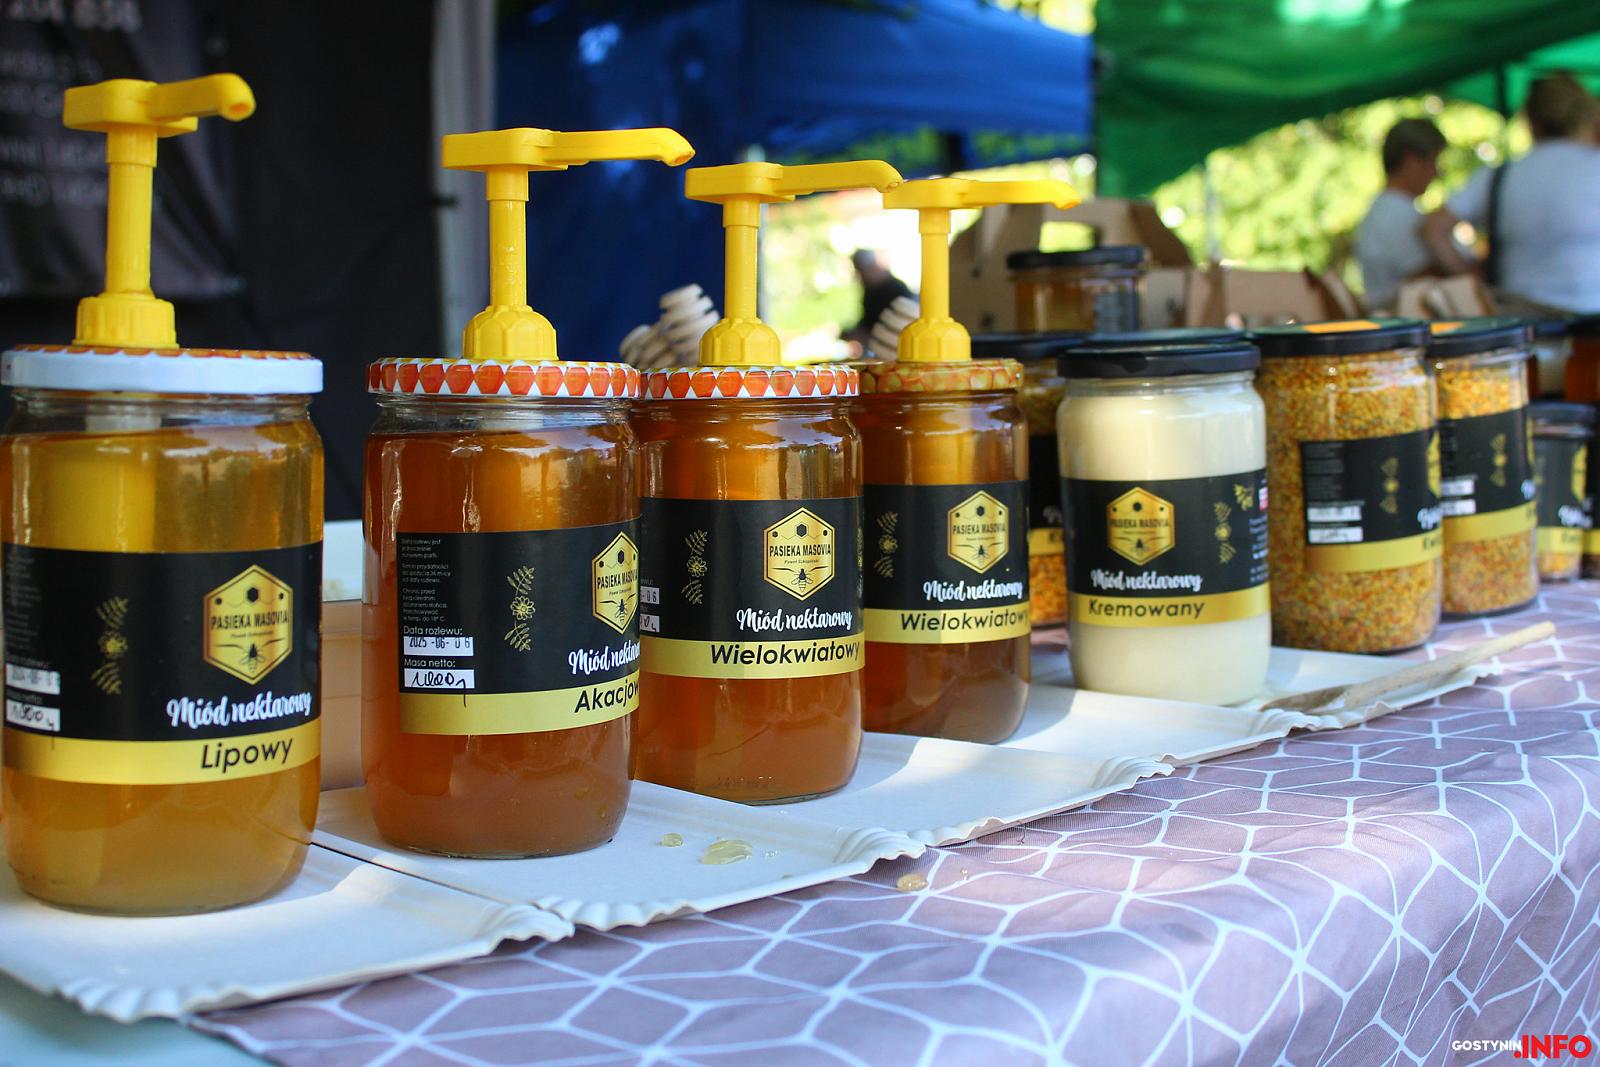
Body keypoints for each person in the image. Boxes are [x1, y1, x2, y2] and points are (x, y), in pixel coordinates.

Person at [1421, 74, 1600, 315]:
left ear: (1531, 121)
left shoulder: (1499, 175)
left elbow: (1433, 229)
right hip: (1593, 310)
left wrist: (1472, 277)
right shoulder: (1594, 166)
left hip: (1523, 317)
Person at [1355, 118, 1458, 311]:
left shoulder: (1387, 212)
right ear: (1411, 161)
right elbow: (1427, 278)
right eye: (1433, 161)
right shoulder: (1393, 216)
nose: (1436, 172)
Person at [845, 249, 912, 346]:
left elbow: (896, 328)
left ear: (873, 267)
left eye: (861, 271)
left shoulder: (897, 290)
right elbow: (867, 322)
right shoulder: (870, 291)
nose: (860, 277)